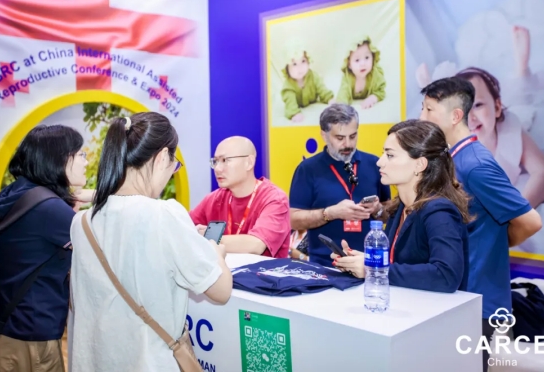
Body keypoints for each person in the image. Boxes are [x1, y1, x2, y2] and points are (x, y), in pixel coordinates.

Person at [70, 113, 232, 372]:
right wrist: (216, 253)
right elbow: (221, 291)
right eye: (174, 165)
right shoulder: (163, 214)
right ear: (162, 157)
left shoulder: (82, 222)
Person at [420, 78, 542, 371]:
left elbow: (530, 221)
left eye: (429, 110)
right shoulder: (453, 157)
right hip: (458, 292)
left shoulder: (475, 164)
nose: (422, 117)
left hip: (477, 298)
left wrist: (496, 244)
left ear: (455, 115)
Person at [0, 125, 90, 372]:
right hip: (31, 339)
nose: (85, 161)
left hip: (6, 330)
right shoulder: (50, 209)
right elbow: (101, 248)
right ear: (59, 159)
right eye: (80, 154)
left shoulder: (21, 193)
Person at [332, 120, 471, 294]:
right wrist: (360, 261)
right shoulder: (400, 208)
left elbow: (446, 275)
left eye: (390, 155)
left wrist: (373, 268)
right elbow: (398, 264)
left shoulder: (439, 212)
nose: (380, 162)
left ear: (419, 165)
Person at [289, 104, 390, 266]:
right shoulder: (307, 169)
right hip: (323, 264)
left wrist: (377, 209)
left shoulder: (375, 164)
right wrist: (330, 213)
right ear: (324, 135)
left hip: (369, 262)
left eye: (353, 136)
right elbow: (292, 220)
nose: (348, 144)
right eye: (340, 138)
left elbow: (389, 214)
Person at [457, 66, 544, 208]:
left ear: (497, 108)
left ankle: (522, 70)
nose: (470, 118)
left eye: (477, 105)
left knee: (523, 97)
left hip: (511, 113)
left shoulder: (509, 131)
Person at [190, 136, 291, 258]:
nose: (217, 168)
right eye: (215, 161)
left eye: (225, 160)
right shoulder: (214, 199)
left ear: (249, 162)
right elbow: (184, 228)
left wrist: (209, 237)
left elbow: (256, 244)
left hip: (261, 270)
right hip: (224, 270)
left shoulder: (274, 198)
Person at [281, 43, 333, 122]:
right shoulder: (288, 85)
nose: (300, 67)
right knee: (290, 98)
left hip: (312, 101)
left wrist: (329, 98)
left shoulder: (313, 76)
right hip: (296, 106)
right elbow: (290, 102)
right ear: (287, 68)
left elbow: (321, 88)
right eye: (294, 64)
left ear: (308, 61)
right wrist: (294, 113)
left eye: (303, 61)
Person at [335, 37, 386, 109]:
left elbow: (380, 91)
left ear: (373, 57)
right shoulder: (347, 78)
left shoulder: (375, 75)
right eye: (357, 60)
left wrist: (372, 98)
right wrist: (342, 107)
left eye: (367, 57)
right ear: (349, 65)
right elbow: (342, 95)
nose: (363, 64)